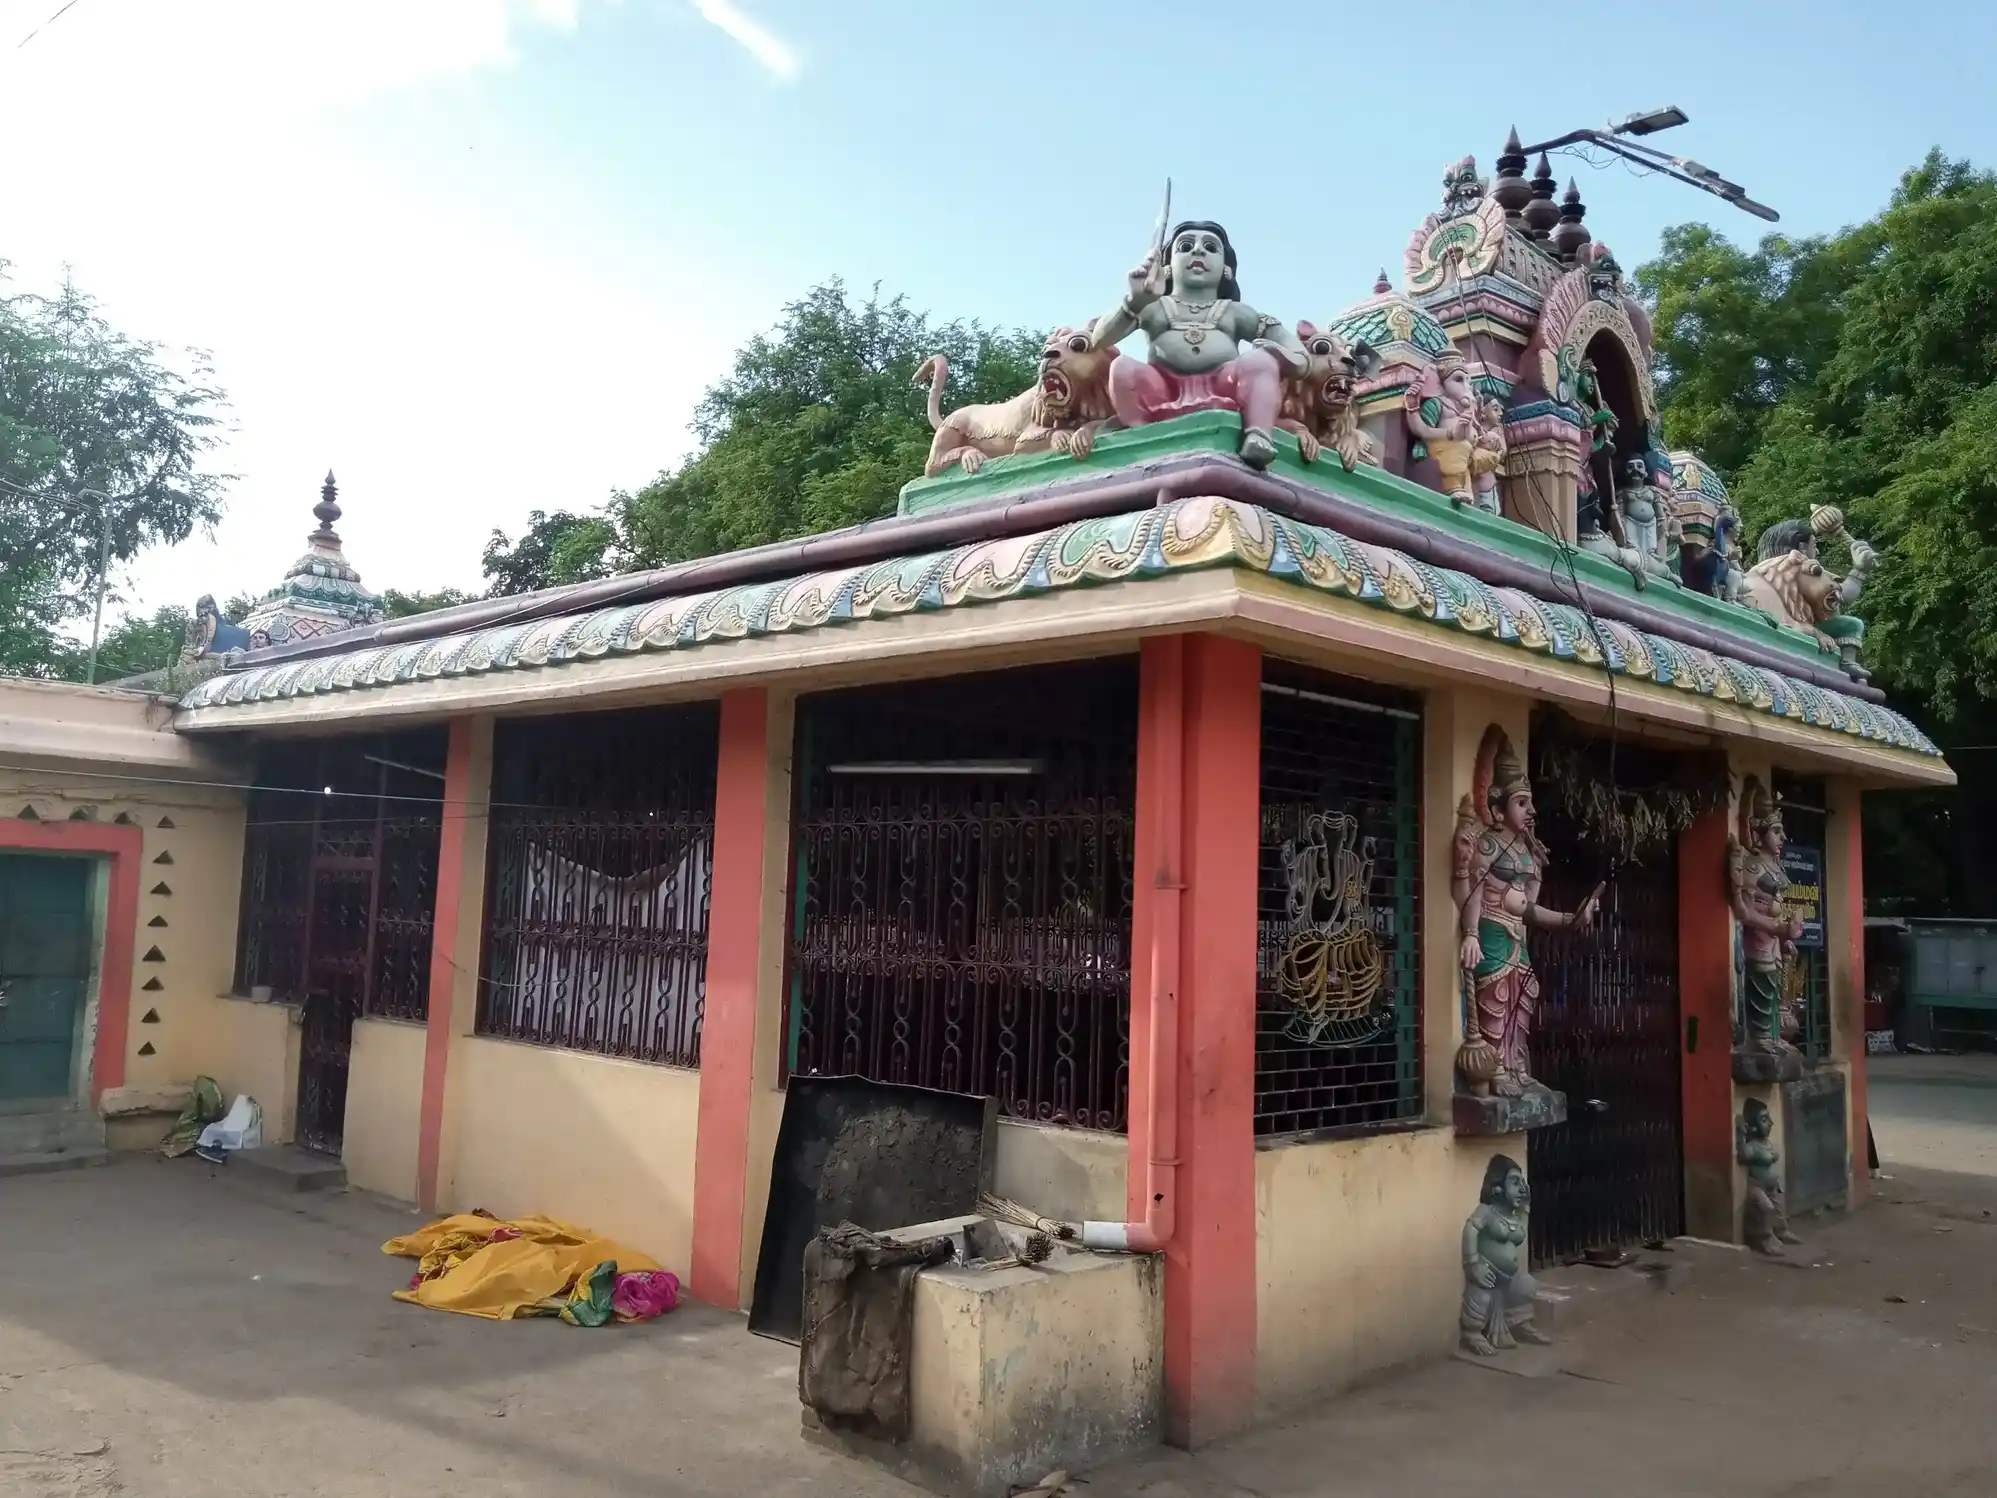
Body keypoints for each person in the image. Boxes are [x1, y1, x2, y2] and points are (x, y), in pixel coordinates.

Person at [1088, 220, 1307, 468]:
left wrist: (1279, 356)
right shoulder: (1154, 308)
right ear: (1167, 265)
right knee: (1122, 367)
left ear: (1227, 269)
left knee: (1259, 361)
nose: (1198, 251)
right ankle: (1142, 436)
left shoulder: (1236, 312)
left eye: (1211, 247)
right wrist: (1134, 301)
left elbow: (1297, 353)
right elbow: (1100, 339)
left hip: (1224, 386)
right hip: (1162, 388)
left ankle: (1258, 435)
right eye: (1186, 246)